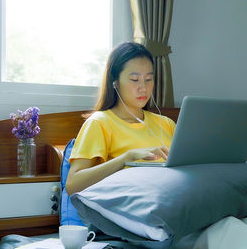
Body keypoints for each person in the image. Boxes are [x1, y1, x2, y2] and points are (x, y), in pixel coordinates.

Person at [65, 42, 176, 195]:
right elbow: (73, 184)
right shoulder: (99, 123)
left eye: (149, 79)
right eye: (135, 79)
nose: (143, 87)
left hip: (176, 198)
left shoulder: (167, 124)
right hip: (135, 207)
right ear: (115, 82)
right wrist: (127, 157)